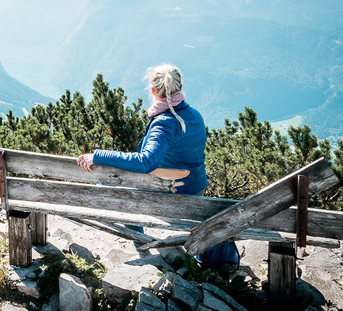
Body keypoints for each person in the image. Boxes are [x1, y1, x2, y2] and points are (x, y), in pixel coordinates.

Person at [76, 63, 238, 272]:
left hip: (172, 195)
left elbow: (146, 161)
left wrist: (98, 155)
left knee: (115, 188)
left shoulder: (165, 122)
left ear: (153, 91)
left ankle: (143, 249)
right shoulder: (194, 115)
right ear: (180, 87)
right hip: (196, 188)